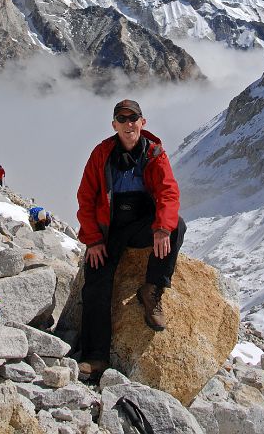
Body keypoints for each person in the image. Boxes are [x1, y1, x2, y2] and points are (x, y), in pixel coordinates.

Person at [76, 99, 186, 382]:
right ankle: (95, 356)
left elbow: (168, 193)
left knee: (176, 227)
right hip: (110, 229)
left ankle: (152, 290)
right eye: (121, 119)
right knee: (96, 281)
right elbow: (86, 197)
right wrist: (93, 239)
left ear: (142, 122)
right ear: (114, 125)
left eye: (133, 118)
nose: (128, 124)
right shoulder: (102, 154)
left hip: (141, 224)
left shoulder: (154, 153)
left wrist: (161, 228)